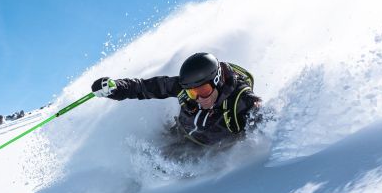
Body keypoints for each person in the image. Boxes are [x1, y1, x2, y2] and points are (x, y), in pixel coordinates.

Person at [91, 52, 262, 148]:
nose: (199, 98)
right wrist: (116, 88)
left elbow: (264, 118)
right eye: (192, 93)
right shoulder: (185, 88)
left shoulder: (240, 100)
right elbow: (144, 87)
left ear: (217, 80)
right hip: (178, 134)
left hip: (204, 151)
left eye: (204, 91)